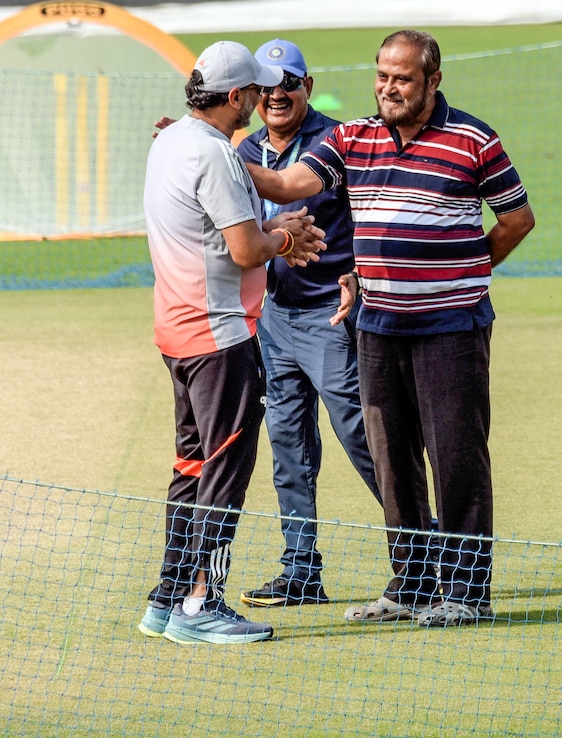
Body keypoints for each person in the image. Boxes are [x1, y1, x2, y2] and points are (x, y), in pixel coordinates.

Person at [246, 29, 535, 628]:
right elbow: (284, 184)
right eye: (382, 76)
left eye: (402, 78)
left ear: (433, 81)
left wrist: (466, 266)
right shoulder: (352, 137)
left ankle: (467, 593)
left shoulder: (474, 138)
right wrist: (209, 148)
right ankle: (410, 586)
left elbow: (517, 218)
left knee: (456, 458)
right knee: (394, 460)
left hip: (452, 328)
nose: (389, 88)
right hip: (377, 327)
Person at [135, 40, 326, 645]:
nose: (264, 97)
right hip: (219, 336)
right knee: (224, 469)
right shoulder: (216, 154)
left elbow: (220, 236)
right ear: (237, 96)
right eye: (256, 90)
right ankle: (202, 605)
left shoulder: (171, 142)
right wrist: (284, 242)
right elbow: (243, 251)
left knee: (191, 465)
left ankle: (167, 598)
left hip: (178, 330)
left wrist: (274, 228)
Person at [234, 39, 383, 609]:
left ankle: (428, 550)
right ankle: (301, 571)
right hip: (274, 321)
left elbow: (371, 216)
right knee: (289, 447)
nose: (277, 95)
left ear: (307, 87)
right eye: (267, 87)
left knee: (361, 438)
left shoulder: (337, 141)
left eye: (288, 84)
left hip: (333, 318)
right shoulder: (246, 147)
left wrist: (359, 279)